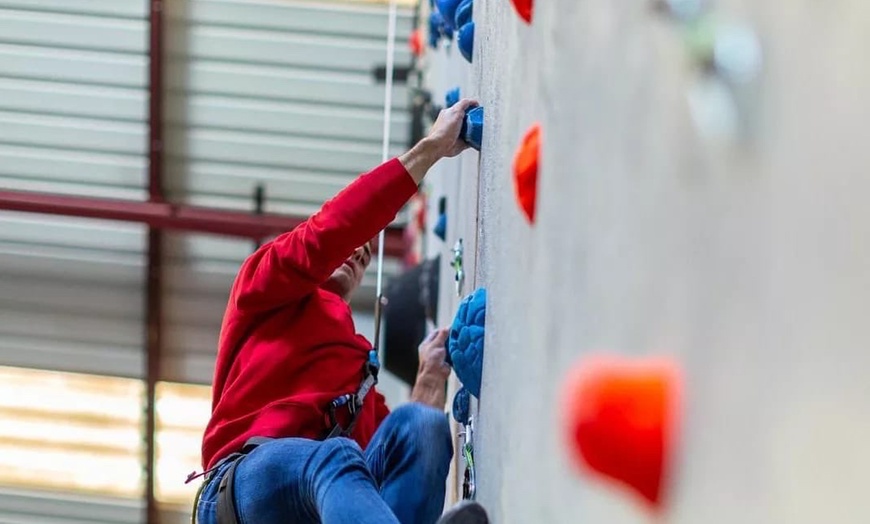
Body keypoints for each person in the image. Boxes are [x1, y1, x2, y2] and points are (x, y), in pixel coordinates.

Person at [192, 98, 489, 524]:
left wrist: (427, 379)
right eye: (352, 245)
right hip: (239, 491)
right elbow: (331, 230)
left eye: (365, 256)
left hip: (321, 492)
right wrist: (430, 150)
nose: (358, 253)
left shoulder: (355, 373)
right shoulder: (262, 287)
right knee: (334, 458)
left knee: (420, 429)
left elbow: (395, 466)